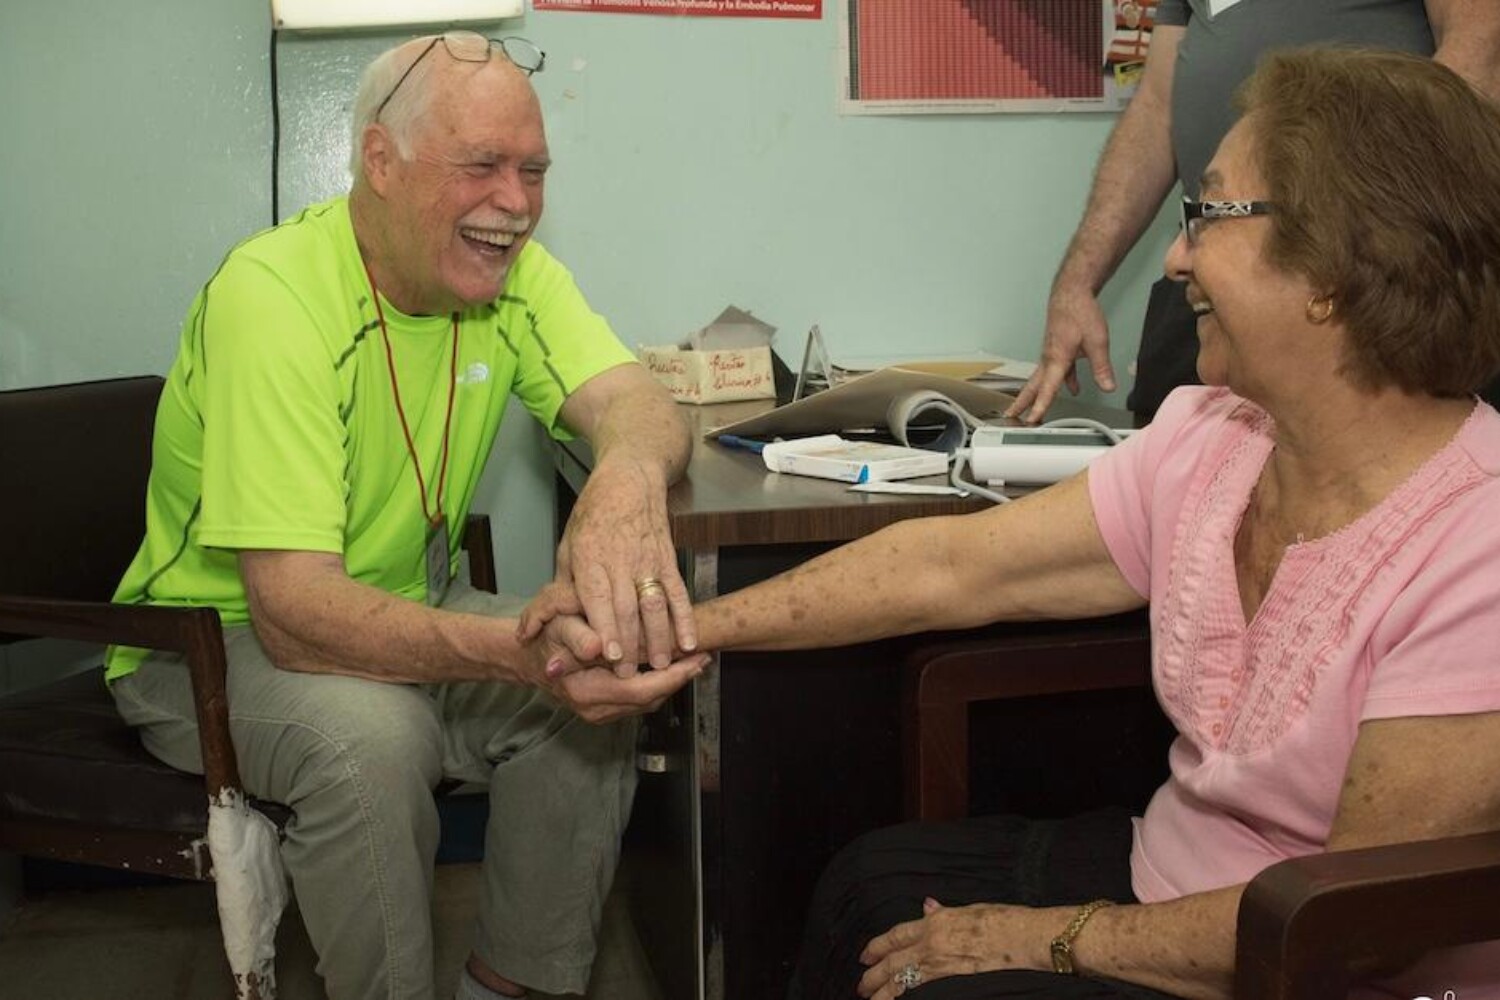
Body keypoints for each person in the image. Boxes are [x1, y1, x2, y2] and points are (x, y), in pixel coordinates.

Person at [524, 47, 1500, 999]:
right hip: (1173, 870)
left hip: (1310, 960)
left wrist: (1048, 940)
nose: (1174, 256)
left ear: (1334, 263)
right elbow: (951, 566)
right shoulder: (1212, 438)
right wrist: (678, 630)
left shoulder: (1478, 544)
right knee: (870, 885)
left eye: (1207, 214)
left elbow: (1357, 925)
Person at [106, 32, 707, 1000]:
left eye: (534, 170)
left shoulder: (511, 276)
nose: (514, 203)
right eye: (481, 166)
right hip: (212, 643)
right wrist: (518, 654)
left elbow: (637, 401)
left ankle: (514, 984)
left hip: (406, 597)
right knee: (373, 740)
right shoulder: (273, 296)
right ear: (379, 163)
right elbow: (296, 616)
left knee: (597, 684)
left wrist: (621, 484)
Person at [1006, 0, 1500, 425]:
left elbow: (1479, 54)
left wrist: (1367, 235)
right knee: (1172, 488)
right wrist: (1076, 283)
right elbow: (1156, 107)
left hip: (1356, 282)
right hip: (1212, 276)